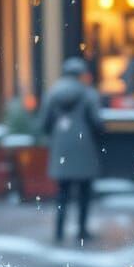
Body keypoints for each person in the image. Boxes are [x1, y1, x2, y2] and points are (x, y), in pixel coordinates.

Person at [38, 57, 104, 242]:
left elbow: (44, 123)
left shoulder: (52, 94)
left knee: (62, 191)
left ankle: (59, 230)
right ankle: (81, 230)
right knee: (84, 191)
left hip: (61, 147)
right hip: (84, 146)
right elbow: (97, 123)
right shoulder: (89, 94)